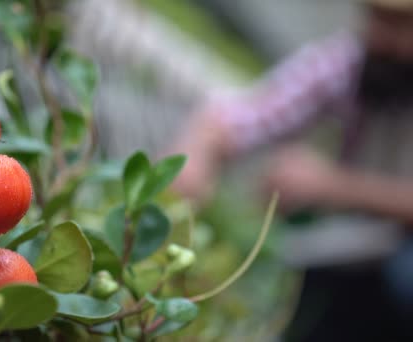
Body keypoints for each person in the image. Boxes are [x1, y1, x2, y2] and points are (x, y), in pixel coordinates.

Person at [170, 0, 413, 340]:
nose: (379, 36)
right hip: (352, 253)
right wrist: (196, 153)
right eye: (376, 18)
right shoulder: (352, 64)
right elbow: (243, 117)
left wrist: (333, 187)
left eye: (400, 26)